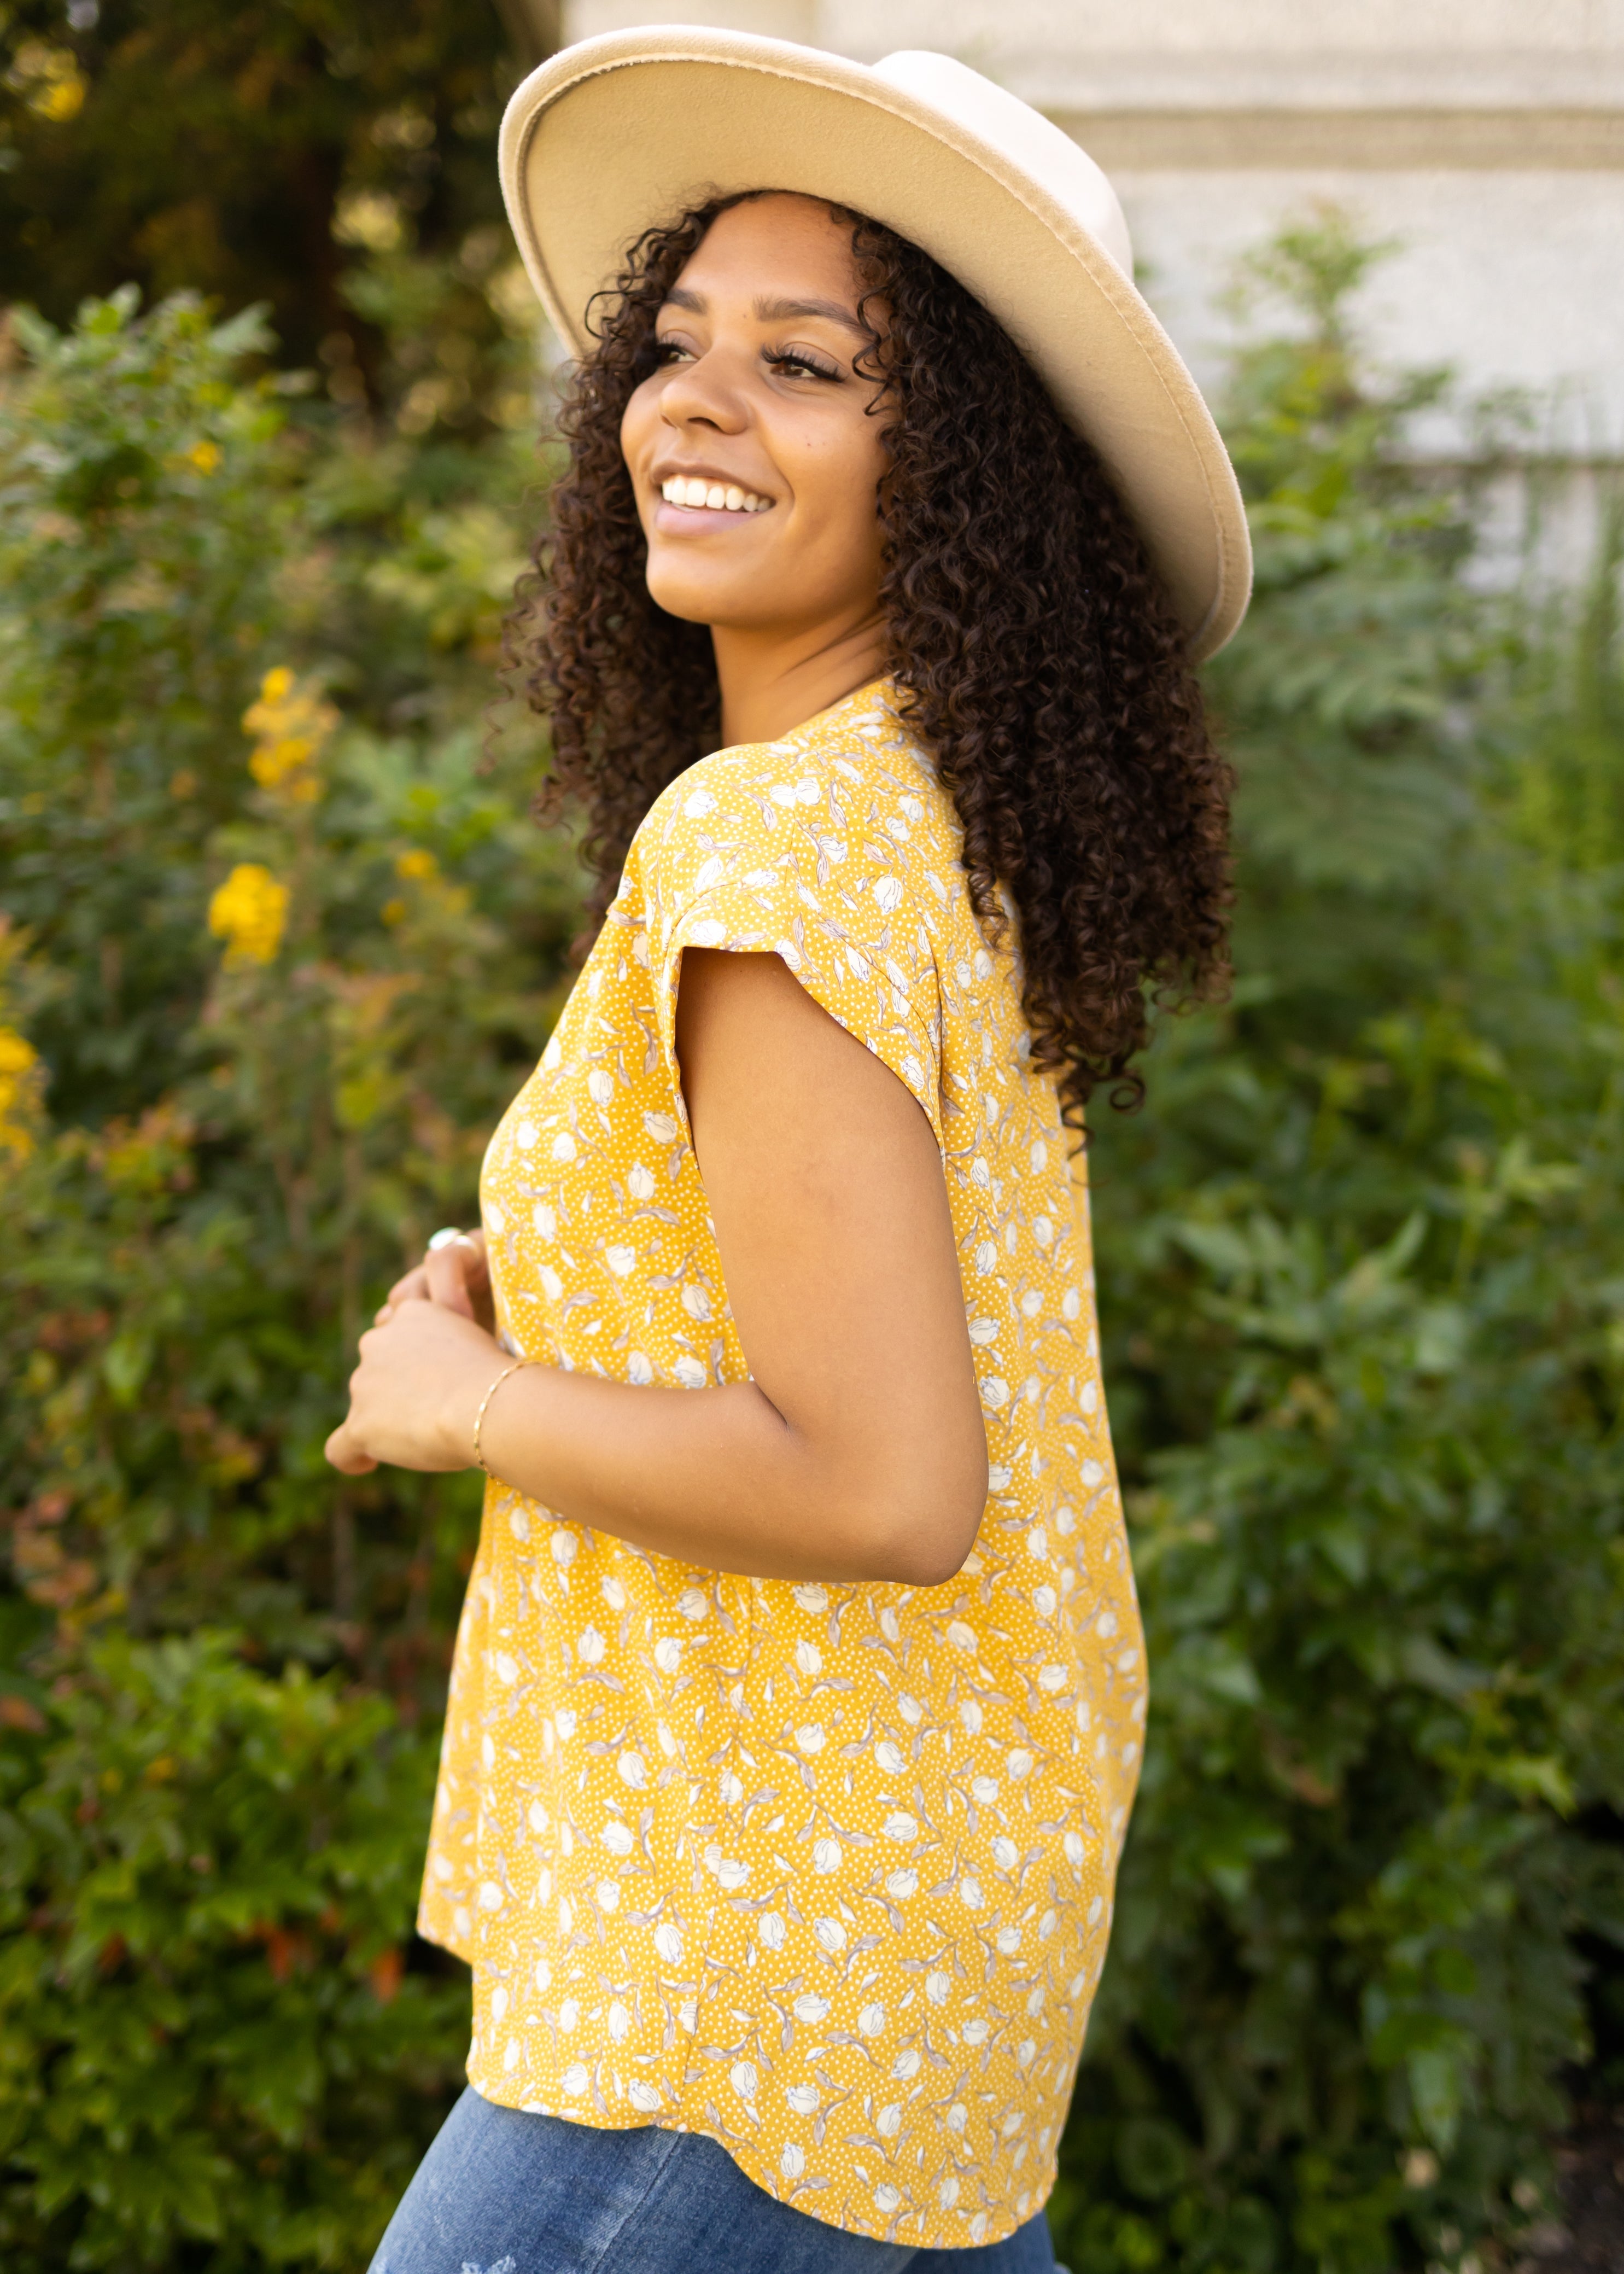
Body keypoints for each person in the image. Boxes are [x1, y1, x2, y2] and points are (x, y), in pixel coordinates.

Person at [326, 28, 1249, 2274]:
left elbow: (883, 1480)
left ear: (971, 476)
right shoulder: (909, 813)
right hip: (891, 1910)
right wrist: (561, 1296)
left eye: (806, 363)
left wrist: (466, 1402)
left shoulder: (775, 843)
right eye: (672, 343)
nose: (691, 403)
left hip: (752, 1962)